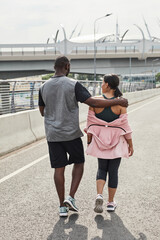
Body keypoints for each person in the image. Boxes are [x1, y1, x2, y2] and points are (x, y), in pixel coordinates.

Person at [38, 56, 128, 217]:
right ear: (67, 66)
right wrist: (119, 101)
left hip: (52, 135)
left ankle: (62, 207)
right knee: (78, 162)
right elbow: (94, 102)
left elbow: (42, 111)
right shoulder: (73, 84)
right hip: (71, 133)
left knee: (58, 169)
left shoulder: (43, 86)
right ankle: (71, 197)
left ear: (54, 67)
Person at [85, 74, 133, 213]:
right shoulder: (121, 104)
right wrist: (130, 145)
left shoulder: (94, 102)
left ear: (107, 85)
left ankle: (99, 194)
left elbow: (90, 125)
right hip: (117, 142)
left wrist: (89, 142)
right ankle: (110, 203)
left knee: (101, 169)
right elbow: (125, 128)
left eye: (102, 82)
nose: (101, 85)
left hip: (100, 141)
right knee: (113, 171)